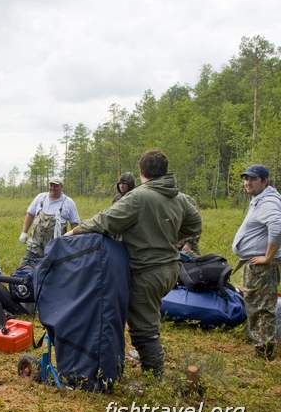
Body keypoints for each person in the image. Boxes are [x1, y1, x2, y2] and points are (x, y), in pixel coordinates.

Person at [64, 150, 201, 377]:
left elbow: (106, 221)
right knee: (148, 314)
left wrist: (74, 232)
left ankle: (153, 381)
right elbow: (195, 225)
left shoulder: (138, 197)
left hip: (147, 272)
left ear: (141, 171)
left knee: (144, 331)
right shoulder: (179, 197)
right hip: (170, 269)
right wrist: (167, 236)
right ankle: (148, 365)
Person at [232, 164, 281, 361]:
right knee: (255, 304)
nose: (248, 182)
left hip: (264, 266)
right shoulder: (260, 200)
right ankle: (262, 346)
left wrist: (267, 257)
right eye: (246, 179)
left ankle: (265, 353)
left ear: (264, 181)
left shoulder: (268, 202)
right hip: (258, 264)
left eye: (253, 179)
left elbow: (277, 228)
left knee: (262, 307)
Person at [19, 176, 80, 261]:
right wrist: (24, 232)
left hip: (56, 246)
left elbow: (74, 224)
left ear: (61, 187)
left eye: (56, 186)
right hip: (35, 245)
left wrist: (73, 242)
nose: (52, 188)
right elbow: (30, 214)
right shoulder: (40, 197)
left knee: (53, 271)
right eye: (51, 185)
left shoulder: (69, 203)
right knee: (27, 267)